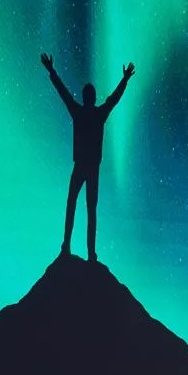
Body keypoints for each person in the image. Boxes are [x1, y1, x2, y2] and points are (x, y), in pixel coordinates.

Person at [41, 53, 135, 262]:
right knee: (89, 209)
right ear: (92, 97)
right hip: (91, 167)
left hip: (84, 166)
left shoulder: (80, 112)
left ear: (86, 97)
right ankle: (88, 252)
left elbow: (64, 94)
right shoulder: (98, 114)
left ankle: (70, 246)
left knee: (74, 204)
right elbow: (113, 99)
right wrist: (125, 79)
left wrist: (52, 71)